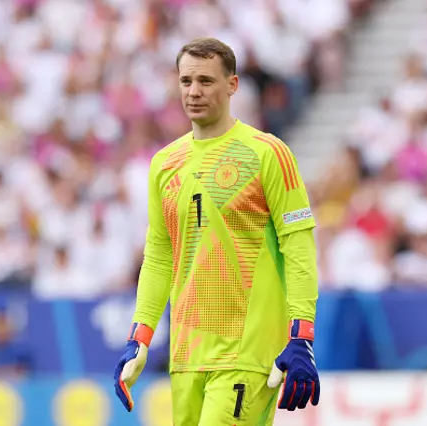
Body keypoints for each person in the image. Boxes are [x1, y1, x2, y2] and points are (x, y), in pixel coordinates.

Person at [113, 38, 320, 425]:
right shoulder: (164, 164)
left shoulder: (267, 153)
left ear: (233, 85)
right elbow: (159, 256)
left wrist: (301, 334)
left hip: (247, 352)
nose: (194, 91)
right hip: (187, 355)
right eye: (186, 80)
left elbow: (299, 245)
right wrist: (139, 337)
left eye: (206, 81)